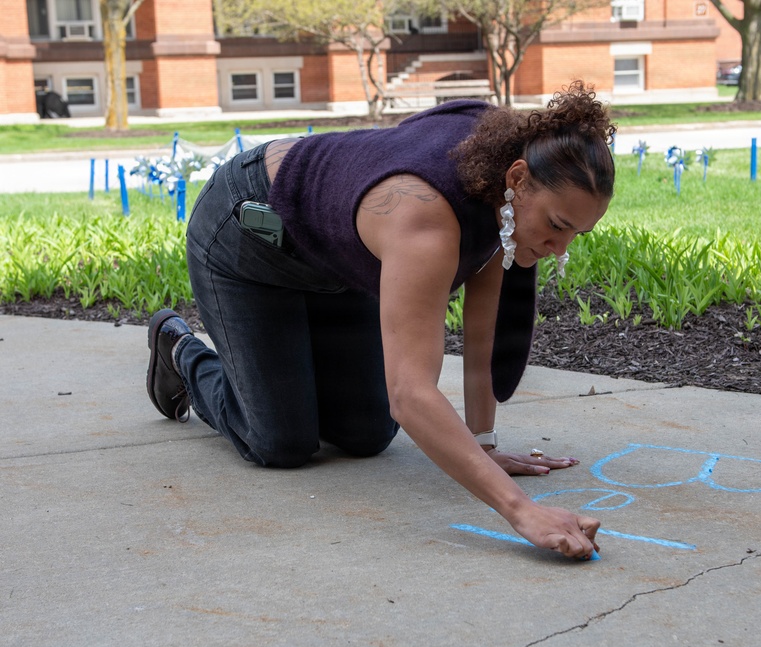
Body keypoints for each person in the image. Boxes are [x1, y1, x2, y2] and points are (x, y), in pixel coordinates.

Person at [145, 81, 615, 560]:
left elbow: (481, 336)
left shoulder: (505, 191)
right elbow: (410, 395)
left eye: (577, 233)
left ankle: (290, 359)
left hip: (337, 260)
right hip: (249, 236)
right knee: (280, 441)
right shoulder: (426, 223)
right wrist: (522, 510)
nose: (562, 250)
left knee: (366, 433)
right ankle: (179, 350)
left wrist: (485, 447)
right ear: (517, 179)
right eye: (558, 226)